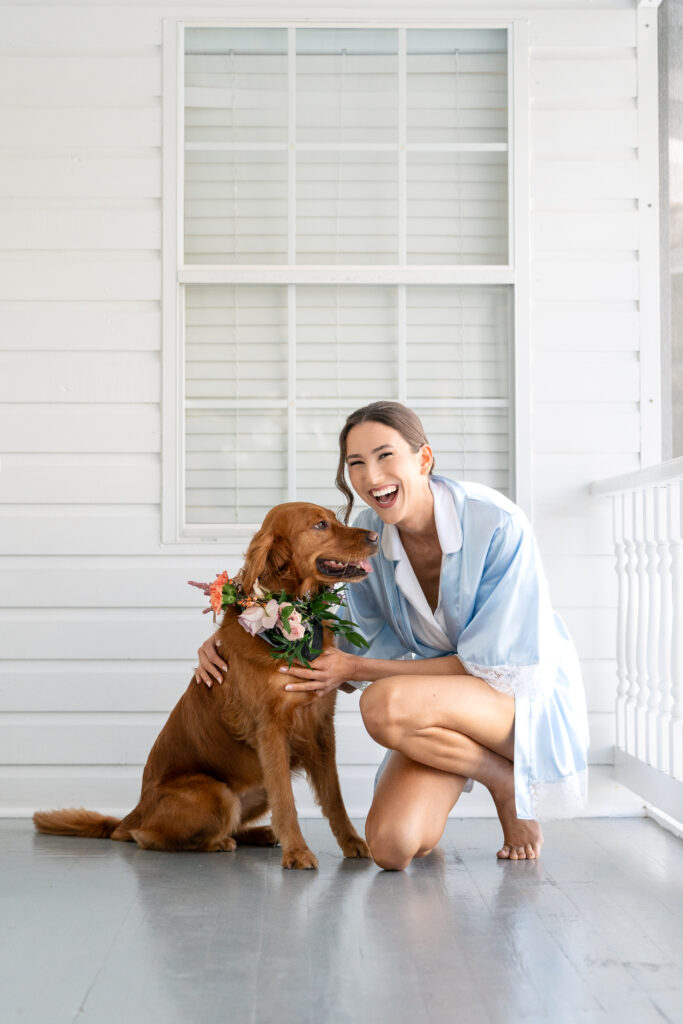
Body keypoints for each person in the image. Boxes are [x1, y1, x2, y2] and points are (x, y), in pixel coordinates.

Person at [195, 401, 589, 868]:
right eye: (356, 463)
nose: (371, 475)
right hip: (436, 709)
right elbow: (332, 627)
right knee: (392, 846)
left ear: (423, 459)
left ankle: (509, 790)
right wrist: (233, 638)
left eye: (385, 456)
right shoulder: (366, 536)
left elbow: (490, 665)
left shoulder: (497, 523)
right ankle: (498, 774)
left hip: (510, 698)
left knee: (382, 705)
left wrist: (358, 668)